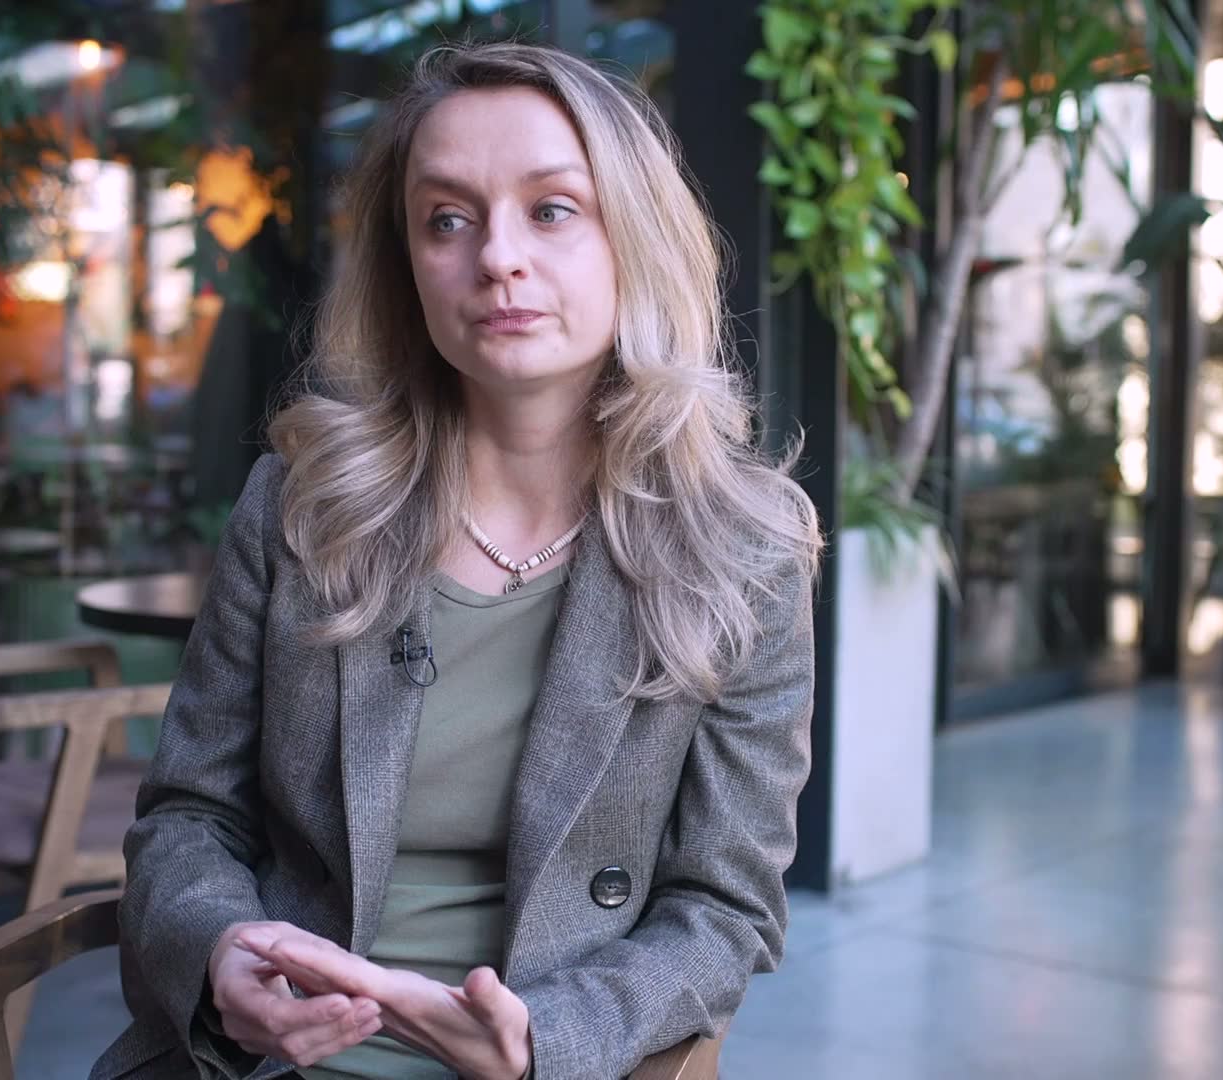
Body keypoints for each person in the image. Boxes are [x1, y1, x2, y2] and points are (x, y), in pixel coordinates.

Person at [90, 40, 823, 1080]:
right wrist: (218, 959)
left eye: (552, 209)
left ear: (636, 235)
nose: (497, 257)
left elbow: (724, 908)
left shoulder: (743, 550)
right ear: (407, 266)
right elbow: (188, 816)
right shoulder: (302, 507)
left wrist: (546, 1038)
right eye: (447, 219)